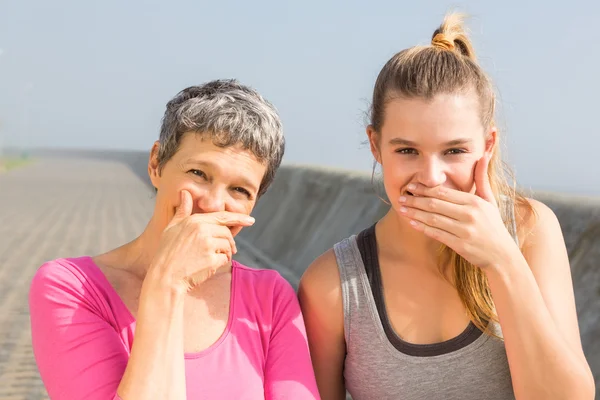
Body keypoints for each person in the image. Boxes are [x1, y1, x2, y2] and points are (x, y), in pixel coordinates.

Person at [298, 13, 595, 400]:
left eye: (454, 150)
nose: (431, 177)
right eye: (407, 150)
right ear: (375, 145)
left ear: (487, 145)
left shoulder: (529, 231)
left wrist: (502, 261)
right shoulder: (331, 287)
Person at [29, 79, 320, 400]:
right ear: (156, 164)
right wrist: (167, 282)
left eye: (239, 190)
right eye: (198, 173)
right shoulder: (70, 288)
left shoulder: (270, 298)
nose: (212, 203)